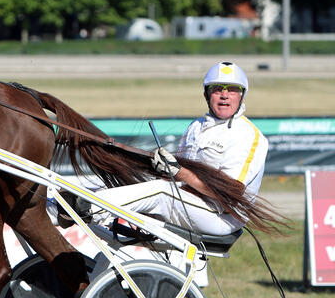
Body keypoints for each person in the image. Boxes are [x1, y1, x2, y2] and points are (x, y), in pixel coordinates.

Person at [89, 61, 268, 236]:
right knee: (124, 180)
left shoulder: (248, 135)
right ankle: (80, 202)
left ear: (242, 96)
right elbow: (177, 175)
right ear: (206, 95)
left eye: (232, 89)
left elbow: (229, 193)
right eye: (217, 89)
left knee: (160, 191)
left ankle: (90, 208)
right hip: (191, 201)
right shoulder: (196, 127)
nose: (224, 95)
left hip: (222, 216)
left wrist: (179, 172)